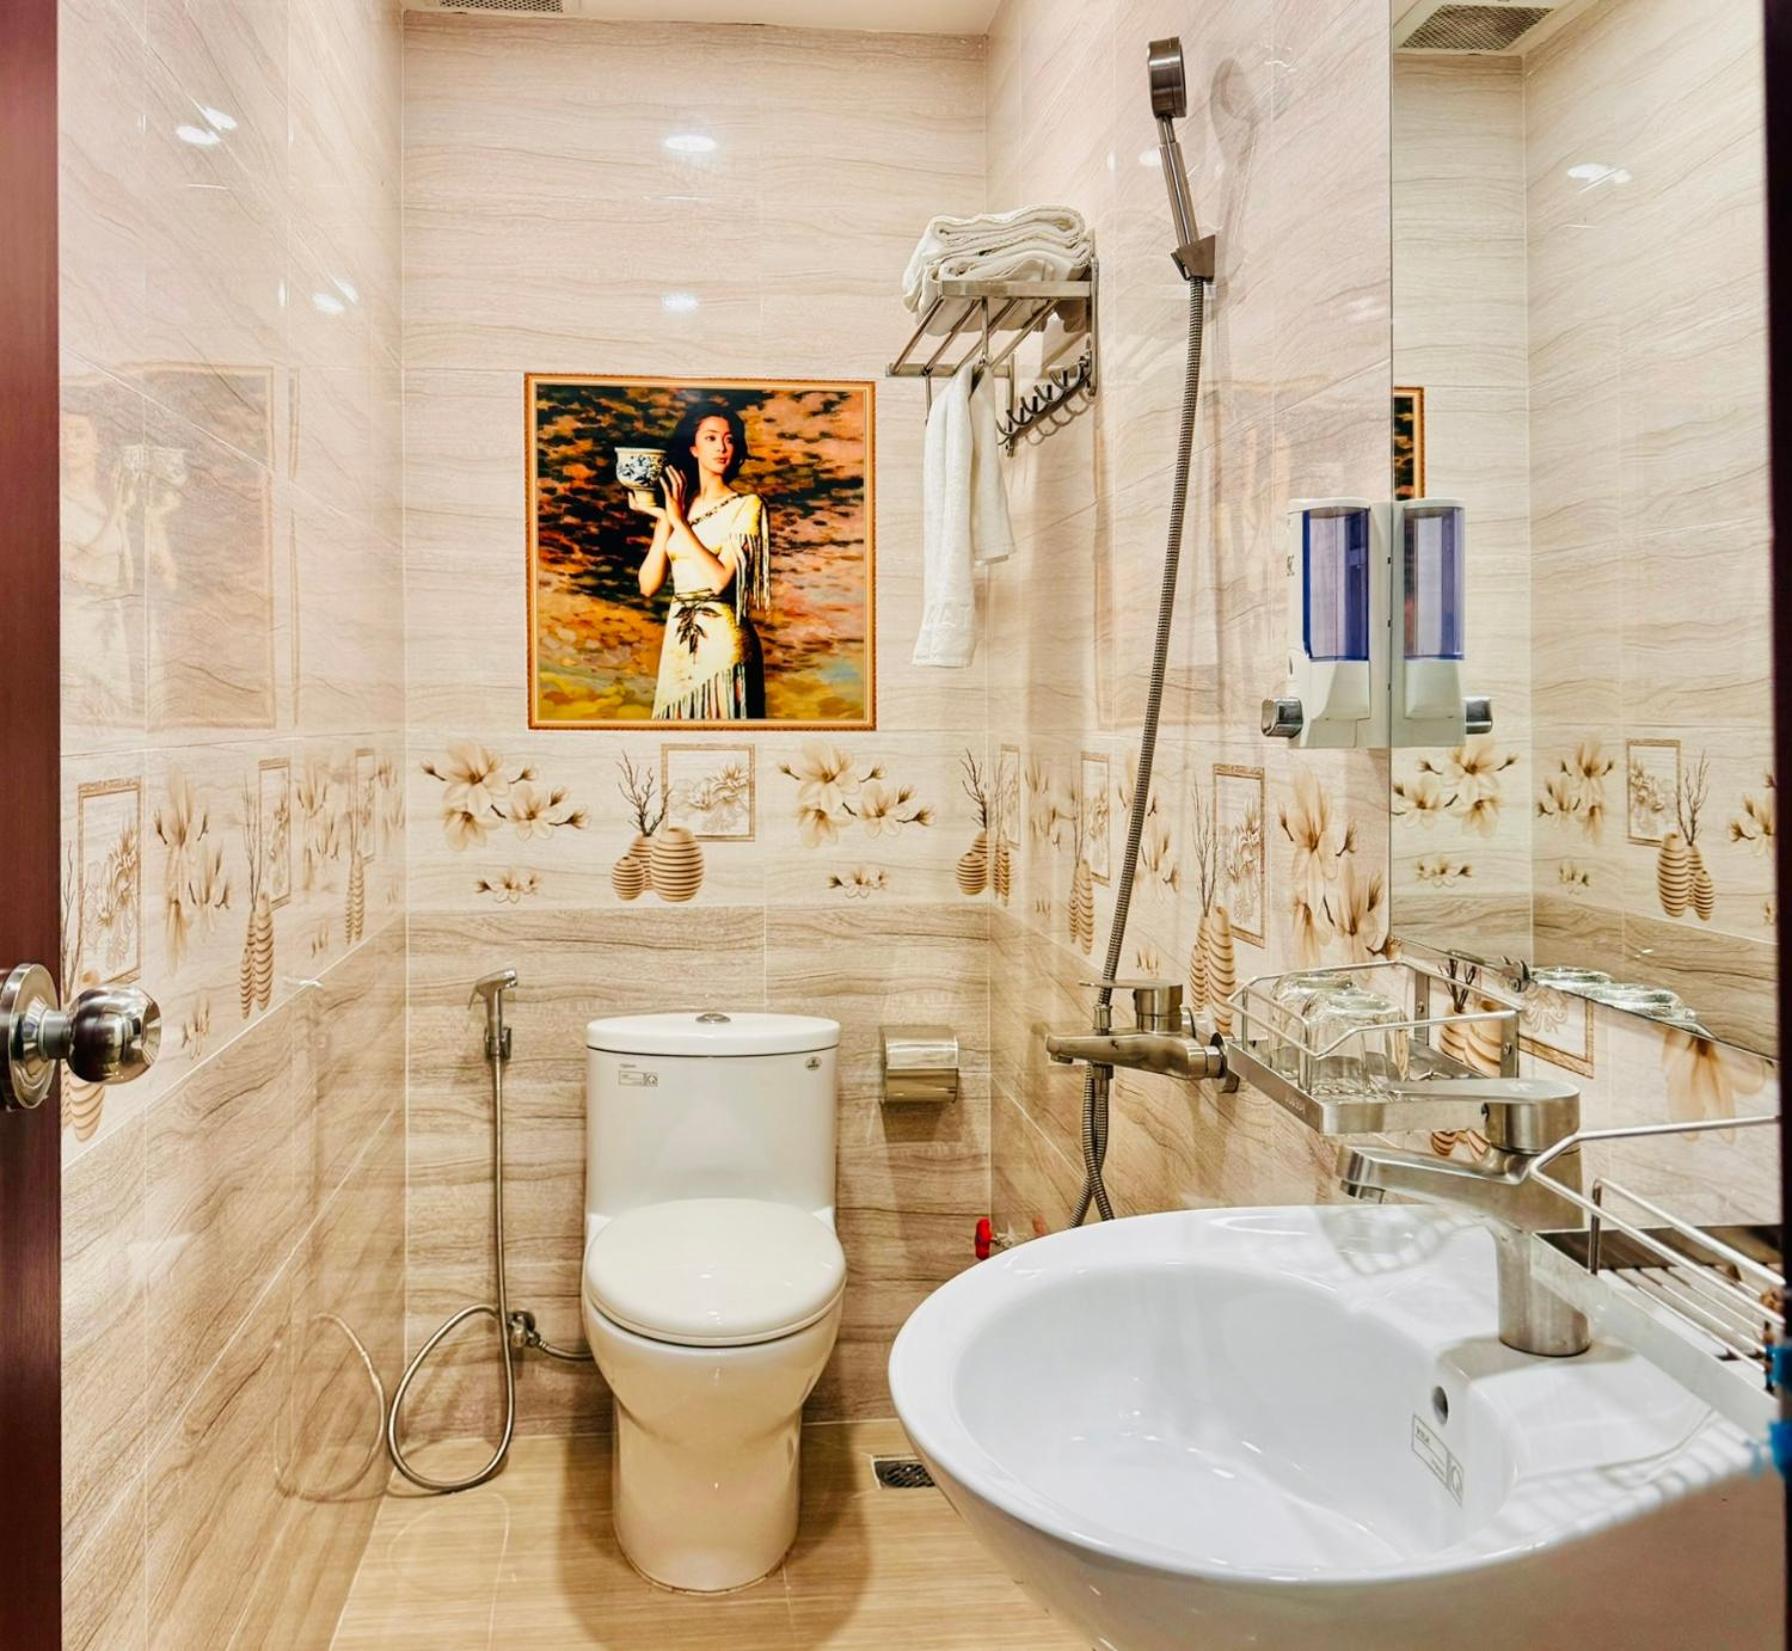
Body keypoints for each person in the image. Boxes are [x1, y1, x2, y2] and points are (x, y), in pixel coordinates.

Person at [637, 402, 769, 720]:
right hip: (678, 649)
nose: (722, 447)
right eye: (711, 438)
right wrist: (665, 519)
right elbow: (648, 586)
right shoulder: (678, 506)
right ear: (693, 448)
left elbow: (720, 581)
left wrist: (679, 522)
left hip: (724, 647)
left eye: (729, 439)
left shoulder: (747, 505)